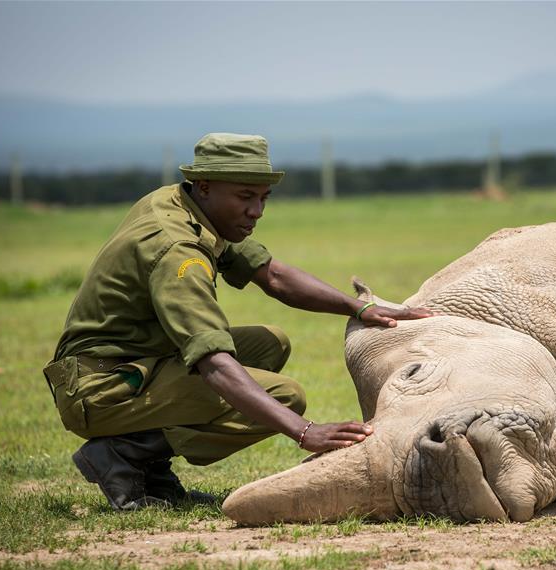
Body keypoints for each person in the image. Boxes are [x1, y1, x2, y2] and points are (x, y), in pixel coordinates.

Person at [43, 133, 431, 510]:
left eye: (263, 198)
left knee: (270, 343)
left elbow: (273, 276)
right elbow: (213, 363)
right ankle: (122, 453)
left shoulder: (181, 202)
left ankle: (143, 463)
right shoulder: (179, 252)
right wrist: (304, 430)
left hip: (133, 361)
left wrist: (360, 308)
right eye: (245, 197)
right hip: (100, 388)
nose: (257, 212)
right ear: (205, 186)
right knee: (284, 396)